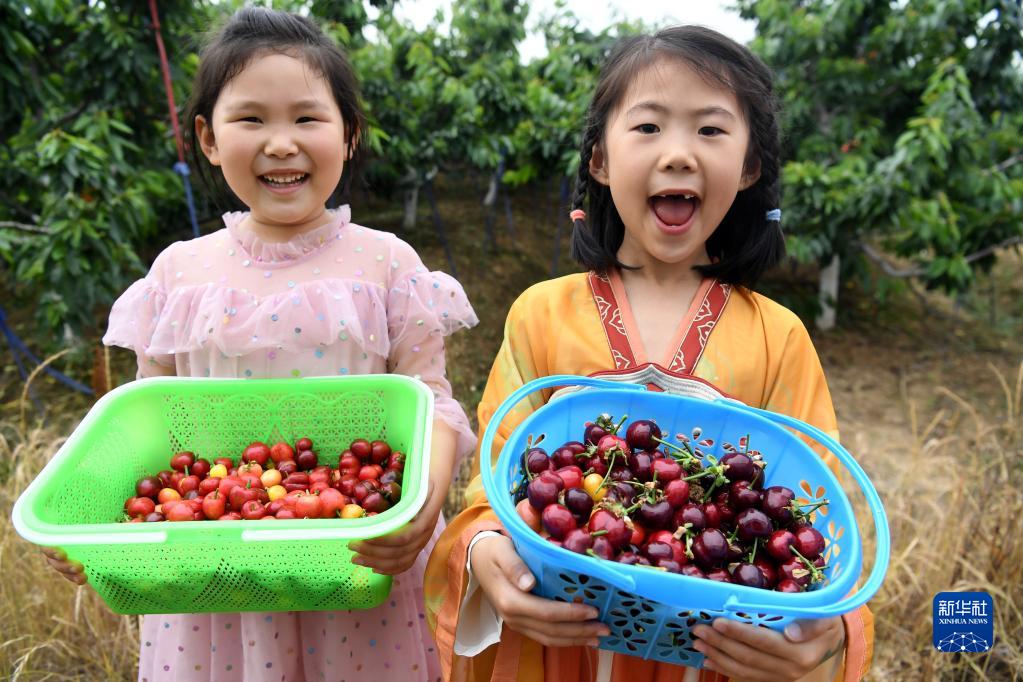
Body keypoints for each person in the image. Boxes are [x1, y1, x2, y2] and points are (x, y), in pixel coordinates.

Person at [424, 25, 873, 682]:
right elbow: (496, 481)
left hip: (714, 652)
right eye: (647, 127)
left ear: (749, 168)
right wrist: (485, 552)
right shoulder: (541, 313)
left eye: (711, 130)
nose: (678, 154)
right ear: (599, 161)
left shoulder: (777, 338)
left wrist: (825, 631)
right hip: (557, 646)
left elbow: (815, 512)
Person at [42, 8, 476, 681]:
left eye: (307, 118)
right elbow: (142, 429)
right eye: (251, 120)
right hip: (212, 578)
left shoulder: (388, 264)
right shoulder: (177, 275)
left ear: (350, 134)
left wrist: (420, 505)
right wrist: (91, 527)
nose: (281, 143)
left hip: (353, 566)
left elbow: (433, 404)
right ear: (208, 139)